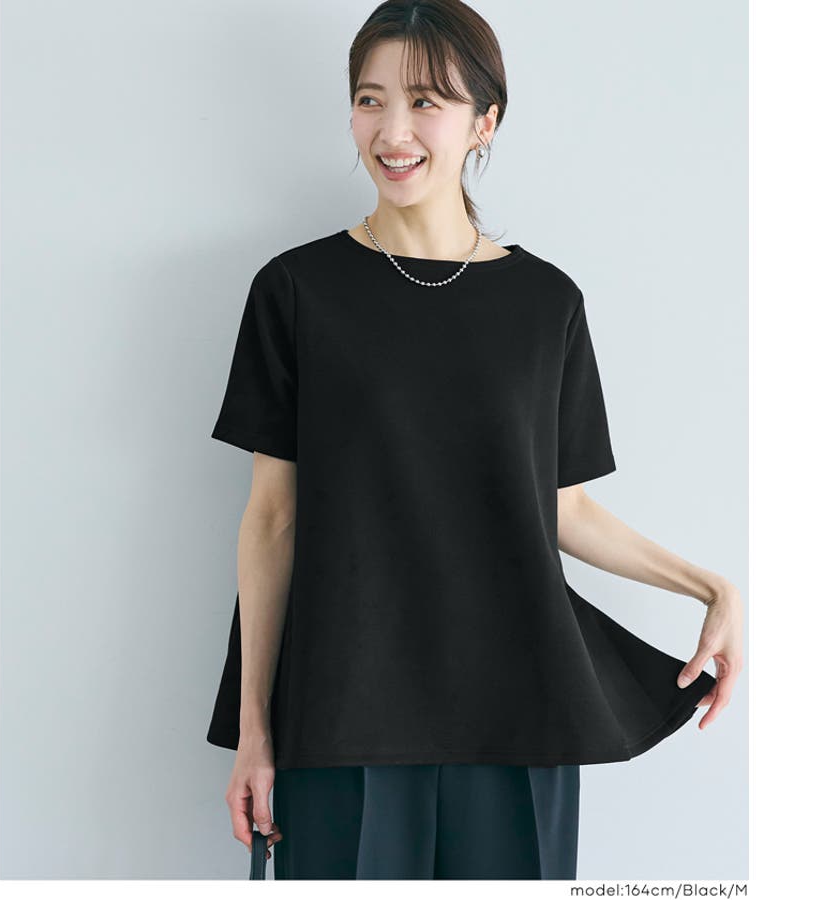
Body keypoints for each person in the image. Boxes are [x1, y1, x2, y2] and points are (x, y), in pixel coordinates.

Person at [205, 0, 743, 880]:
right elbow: (273, 519)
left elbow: (561, 507)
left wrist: (709, 585)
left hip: (520, 709)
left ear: (484, 121)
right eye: (371, 100)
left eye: (425, 101)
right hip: (342, 711)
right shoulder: (296, 291)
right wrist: (253, 732)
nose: (393, 131)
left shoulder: (546, 304)